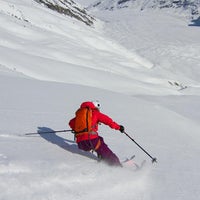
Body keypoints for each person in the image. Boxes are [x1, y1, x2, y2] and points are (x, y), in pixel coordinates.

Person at [69, 100, 125, 166]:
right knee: (108, 153)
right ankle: (118, 166)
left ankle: (101, 157)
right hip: (91, 141)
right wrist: (119, 127)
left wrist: (78, 129)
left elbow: (71, 123)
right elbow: (108, 121)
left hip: (81, 143)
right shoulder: (95, 113)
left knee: (100, 139)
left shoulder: (81, 115)